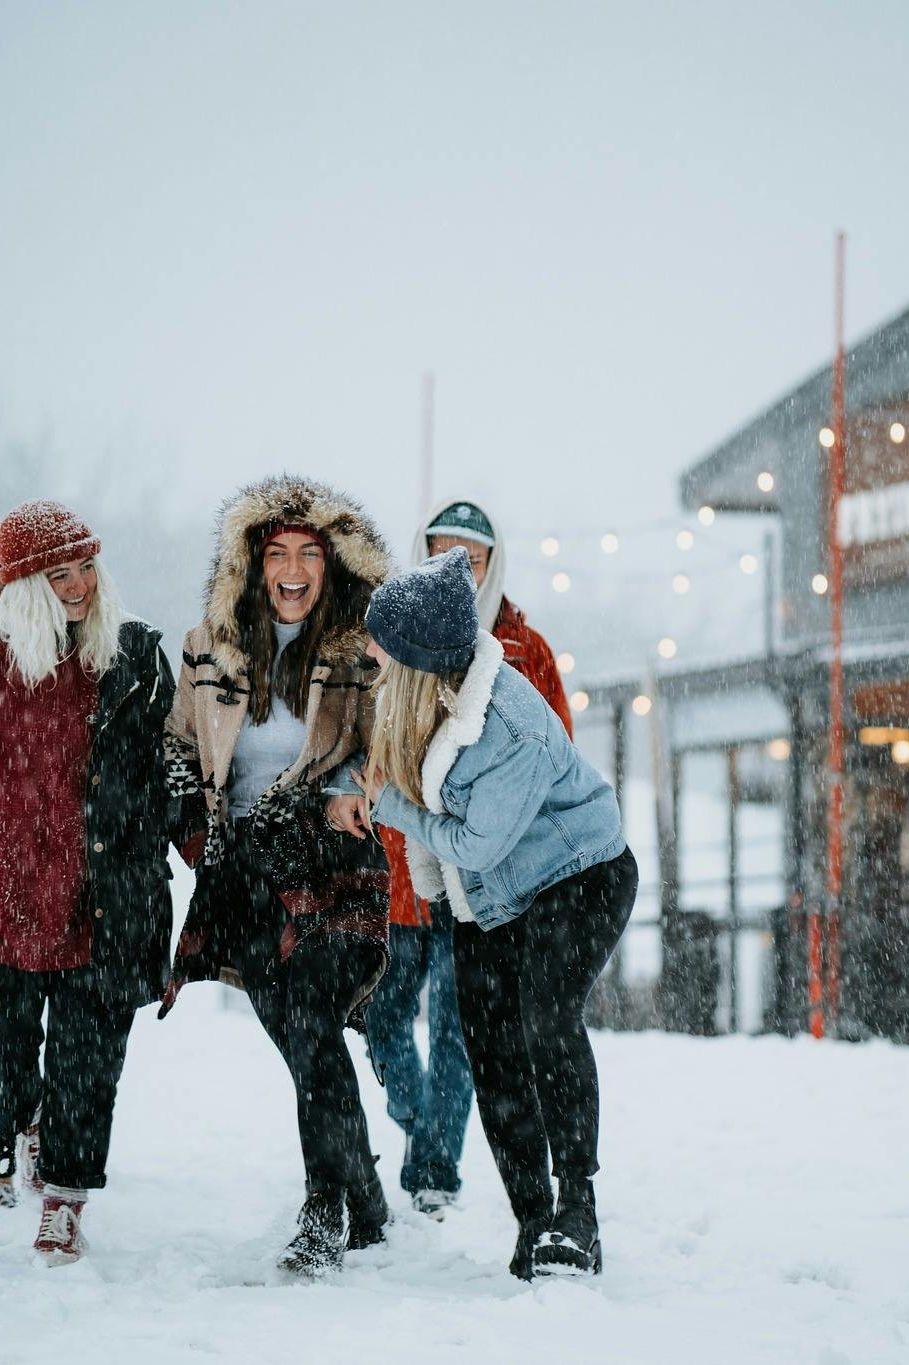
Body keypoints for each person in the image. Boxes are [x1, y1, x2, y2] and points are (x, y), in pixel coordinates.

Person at [357, 548, 635, 1279]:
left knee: (545, 1016)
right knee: (491, 1051)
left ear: (419, 653)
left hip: (581, 873)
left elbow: (476, 843)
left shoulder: (508, 724)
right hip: (489, 897)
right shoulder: (414, 698)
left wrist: (391, 806)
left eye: (382, 643)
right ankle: (533, 1220)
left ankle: (577, 1211)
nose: (370, 654)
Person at [0, 501, 175, 1265]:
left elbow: (166, 773)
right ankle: (24, 1119)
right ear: (25, 583)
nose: (79, 583)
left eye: (86, 566)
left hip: (102, 896)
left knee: (87, 1066)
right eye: (58, 573)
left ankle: (63, 1199)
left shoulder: (133, 655)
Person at [162, 474, 394, 1276]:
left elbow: (385, 747)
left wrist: (341, 790)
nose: (293, 569)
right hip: (247, 879)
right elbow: (178, 749)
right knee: (309, 1044)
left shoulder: (364, 651)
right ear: (252, 566)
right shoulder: (207, 646)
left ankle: (323, 1209)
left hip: (332, 865)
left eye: (309, 554)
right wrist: (196, 829)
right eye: (277, 554)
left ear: (332, 566)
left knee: (309, 1020)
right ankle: (365, 1194)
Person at [364, 498, 572, 1218]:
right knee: (381, 1018)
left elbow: (554, 756)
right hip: (401, 874)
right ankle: (422, 1117)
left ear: (494, 562)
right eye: (441, 551)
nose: (458, 567)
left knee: (457, 1027)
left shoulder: (525, 648)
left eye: (472, 555)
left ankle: (432, 1167)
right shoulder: (392, 632)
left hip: (482, 878)